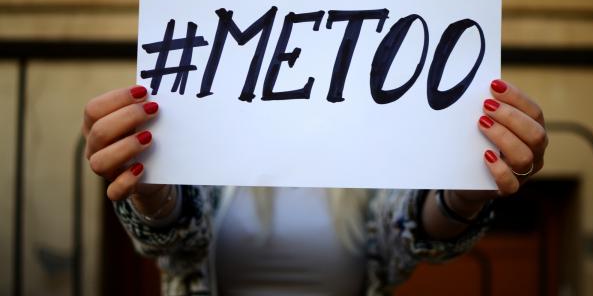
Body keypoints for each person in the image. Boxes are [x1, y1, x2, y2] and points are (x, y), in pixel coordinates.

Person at [83, 79, 548, 296]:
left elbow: (409, 232)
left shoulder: (372, 169)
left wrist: (465, 188)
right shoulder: (214, 157)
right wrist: (150, 187)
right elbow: (176, 232)